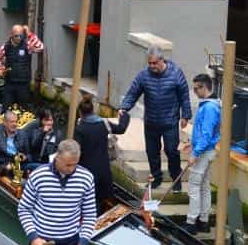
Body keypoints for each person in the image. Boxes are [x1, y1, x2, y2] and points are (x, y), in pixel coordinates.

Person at [119, 45, 191, 189]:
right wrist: (124, 107)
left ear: (161, 60)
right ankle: (156, 178)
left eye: (154, 63)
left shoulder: (176, 73)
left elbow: (184, 95)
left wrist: (186, 115)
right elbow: (133, 93)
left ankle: (176, 178)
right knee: (152, 152)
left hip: (170, 121)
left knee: (171, 151)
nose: (151, 66)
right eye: (149, 63)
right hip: (151, 122)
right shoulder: (143, 76)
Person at [182, 73, 221, 234]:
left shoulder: (210, 107)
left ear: (204, 87)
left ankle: (191, 222)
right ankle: (203, 221)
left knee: (194, 186)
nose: (195, 92)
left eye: (196, 88)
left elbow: (206, 134)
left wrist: (195, 153)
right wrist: (192, 143)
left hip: (204, 152)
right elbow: (202, 132)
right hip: (207, 150)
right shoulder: (210, 105)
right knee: (204, 186)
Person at [74, 96, 116, 213]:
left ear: (80, 112)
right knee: (99, 199)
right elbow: (121, 128)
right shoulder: (103, 124)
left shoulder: (80, 128)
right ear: (93, 110)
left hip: (88, 171)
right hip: (104, 169)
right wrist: (125, 115)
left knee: (90, 201)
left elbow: (77, 151)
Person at [0, 24, 45, 111]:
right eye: (16, 36)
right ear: (11, 35)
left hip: (23, 84)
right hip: (9, 83)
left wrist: (29, 34)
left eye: (21, 35)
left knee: (24, 108)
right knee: (6, 107)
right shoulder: (6, 46)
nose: (19, 38)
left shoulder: (27, 45)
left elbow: (40, 47)